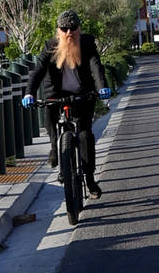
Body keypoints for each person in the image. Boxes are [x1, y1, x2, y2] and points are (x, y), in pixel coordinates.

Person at [23, 10, 112, 199]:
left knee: (85, 134)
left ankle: (89, 178)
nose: (69, 33)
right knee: (50, 119)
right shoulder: (50, 46)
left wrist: (102, 87)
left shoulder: (86, 43)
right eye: (64, 29)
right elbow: (37, 71)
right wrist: (29, 93)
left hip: (82, 94)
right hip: (56, 94)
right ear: (58, 30)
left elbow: (96, 67)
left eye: (73, 28)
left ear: (79, 29)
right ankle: (55, 149)